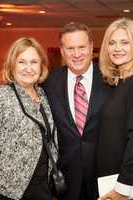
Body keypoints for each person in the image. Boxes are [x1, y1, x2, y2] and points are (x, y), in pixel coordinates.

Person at [0, 37, 58, 200]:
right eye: (21, 62)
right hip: (8, 192)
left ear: (41, 66)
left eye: (34, 62)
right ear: (12, 65)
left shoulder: (43, 95)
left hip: (42, 188)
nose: (28, 68)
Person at [43, 22, 110, 200]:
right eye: (70, 48)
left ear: (91, 47)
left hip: (105, 177)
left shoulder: (111, 80)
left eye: (81, 47)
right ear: (62, 51)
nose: (77, 54)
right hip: (66, 178)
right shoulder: (48, 83)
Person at [97, 18, 133, 200]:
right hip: (111, 179)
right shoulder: (120, 82)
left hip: (124, 186)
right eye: (112, 43)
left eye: (125, 42)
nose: (117, 48)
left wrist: (123, 187)